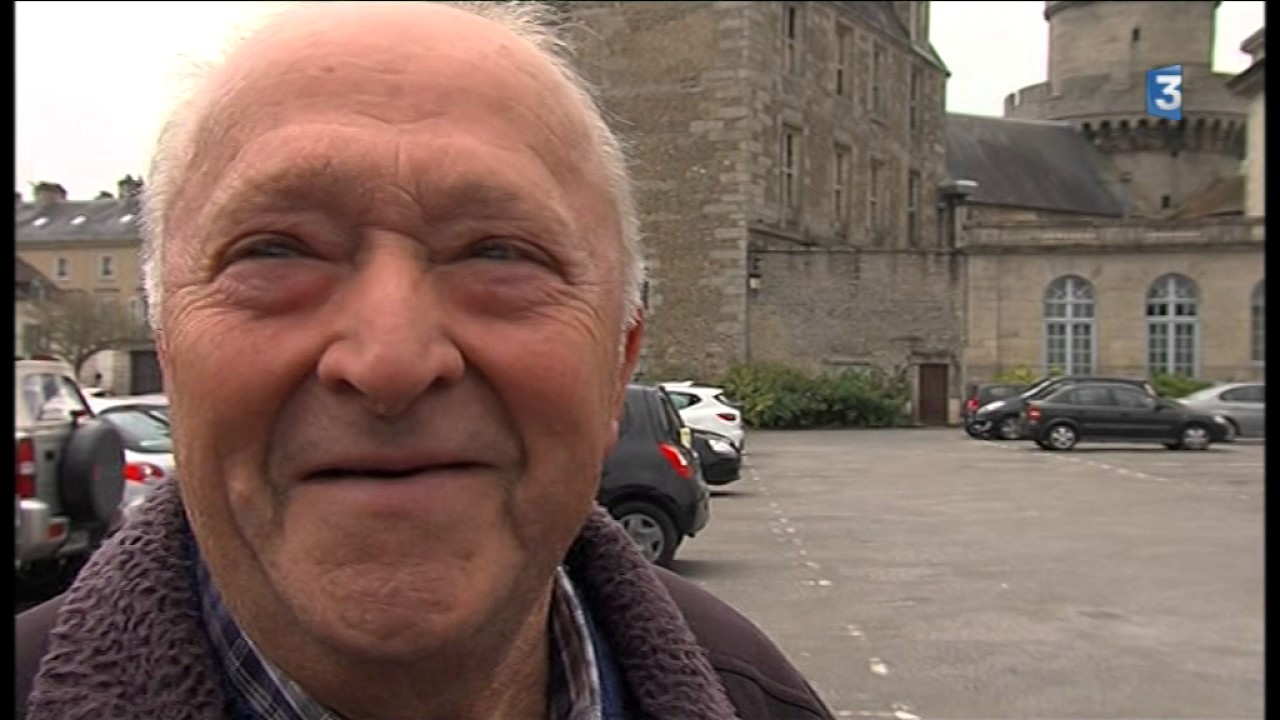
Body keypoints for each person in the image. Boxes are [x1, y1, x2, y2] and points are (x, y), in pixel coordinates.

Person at [16, 3, 836, 719]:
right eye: (275, 251)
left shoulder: (762, 698)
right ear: (169, 347)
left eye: (497, 254)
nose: (391, 361)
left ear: (618, 364)